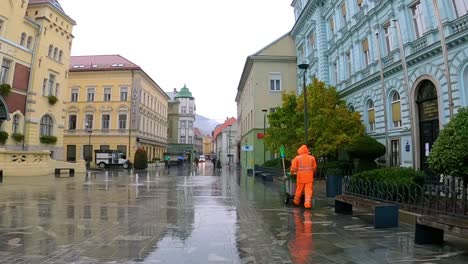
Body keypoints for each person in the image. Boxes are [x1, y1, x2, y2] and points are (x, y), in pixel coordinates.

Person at [290, 145, 317, 209]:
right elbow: (314, 168)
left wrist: (292, 172)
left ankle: (296, 202)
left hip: (300, 178)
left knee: (299, 190)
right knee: (308, 191)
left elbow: (293, 168)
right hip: (309, 178)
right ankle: (307, 205)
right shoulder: (312, 158)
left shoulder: (297, 158)